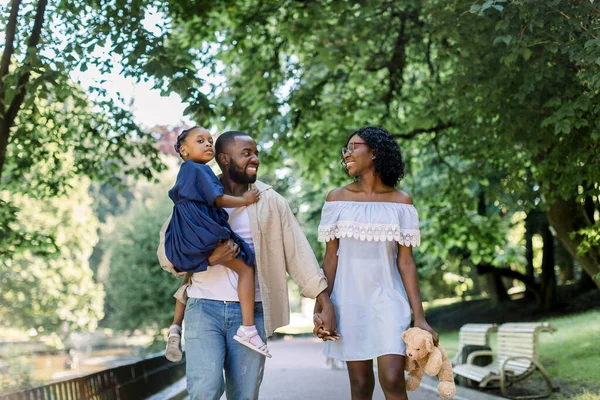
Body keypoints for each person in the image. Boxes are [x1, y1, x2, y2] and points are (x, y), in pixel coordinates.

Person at [157, 130, 337, 400]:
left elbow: (298, 253)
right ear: (224, 159)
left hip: (252, 313)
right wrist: (209, 260)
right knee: (204, 391)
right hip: (203, 307)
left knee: (244, 395)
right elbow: (167, 253)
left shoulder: (271, 201)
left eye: (256, 154)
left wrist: (325, 302)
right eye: (246, 154)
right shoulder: (195, 196)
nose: (255, 159)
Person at [313, 126, 438, 400]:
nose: (346, 154)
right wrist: (321, 307)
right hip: (349, 302)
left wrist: (420, 318)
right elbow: (330, 258)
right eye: (344, 150)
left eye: (353, 147)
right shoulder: (336, 199)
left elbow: (406, 262)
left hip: (389, 300)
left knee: (393, 380)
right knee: (359, 386)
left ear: (375, 152)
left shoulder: (401, 202)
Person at [162, 126, 270, 359]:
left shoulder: (188, 171)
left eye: (210, 140)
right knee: (246, 267)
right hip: (202, 229)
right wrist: (244, 200)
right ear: (184, 150)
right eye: (200, 140)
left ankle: (175, 327)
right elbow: (218, 199)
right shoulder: (198, 170)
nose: (208, 143)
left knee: (190, 281)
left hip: (191, 231)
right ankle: (248, 328)